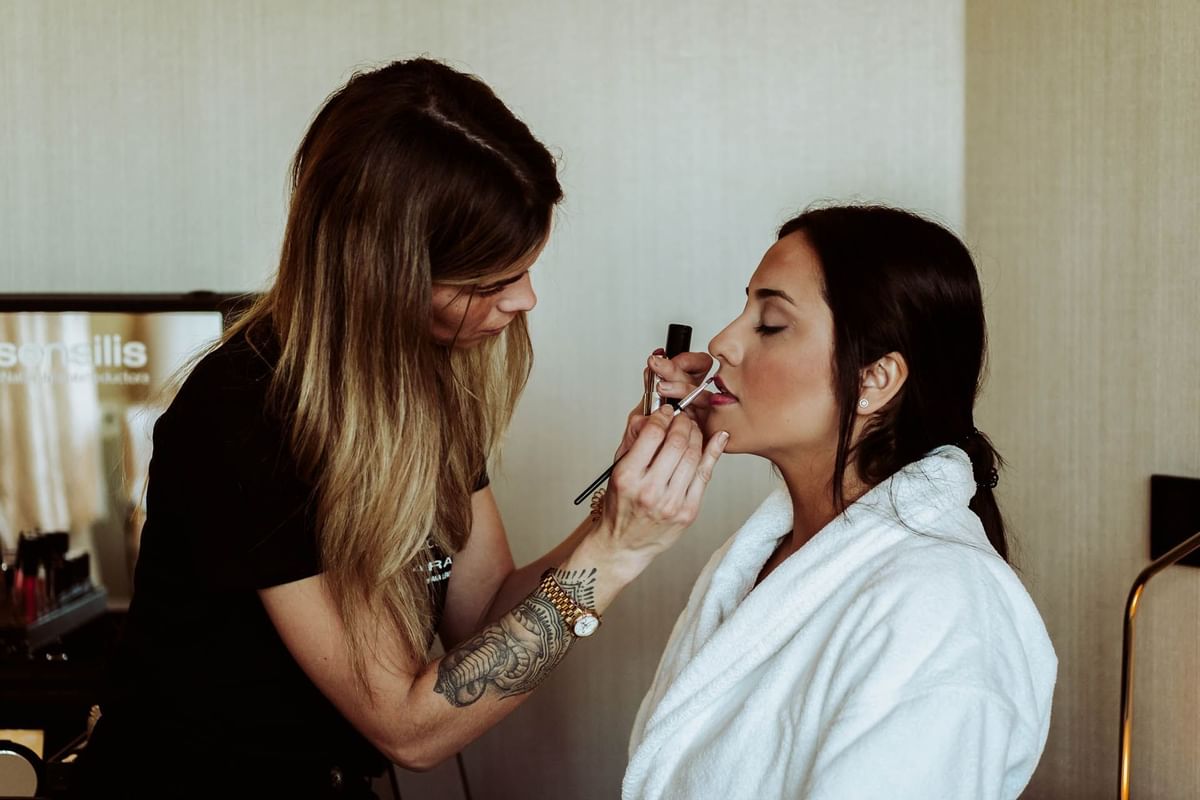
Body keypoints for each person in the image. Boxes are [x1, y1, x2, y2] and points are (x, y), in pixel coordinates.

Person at [73, 58, 727, 798]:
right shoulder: (250, 415)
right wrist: (615, 556)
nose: (527, 300)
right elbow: (410, 726)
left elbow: (480, 617)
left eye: (526, 268)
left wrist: (620, 510)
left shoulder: (420, 383)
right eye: (491, 282)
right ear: (382, 274)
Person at [624, 205, 1057, 800]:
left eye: (770, 323)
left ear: (875, 379)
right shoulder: (769, 555)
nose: (722, 342)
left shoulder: (943, 609)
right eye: (743, 309)